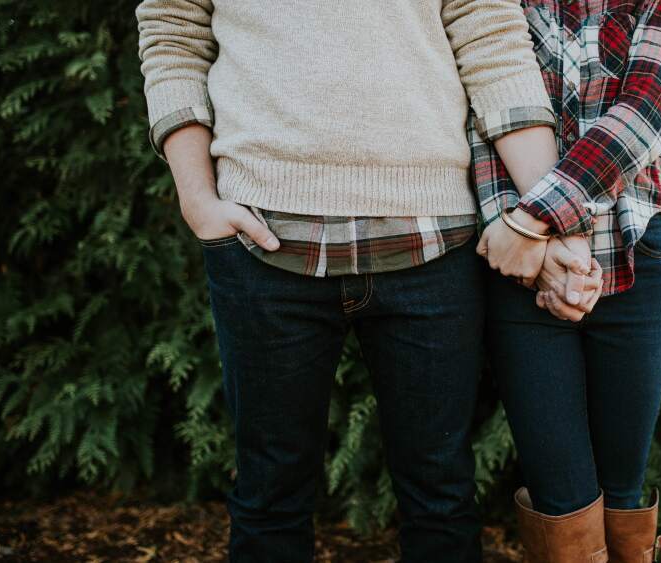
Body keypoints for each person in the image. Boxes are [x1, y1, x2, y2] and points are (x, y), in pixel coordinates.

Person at [134, 2, 560, 561]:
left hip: (432, 240)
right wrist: (197, 198)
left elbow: (491, 38)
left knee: (441, 500)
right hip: (262, 238)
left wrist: (550, 213)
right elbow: (172, 32)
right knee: (269, 500)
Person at [470, 0, 661, 561]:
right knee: (560, 501)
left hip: (634, 256)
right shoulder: (500, 7)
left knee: (622, 494)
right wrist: (534, 249)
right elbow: (483, 117)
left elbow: (643, 113)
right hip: (524, 273)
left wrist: (534, 220)